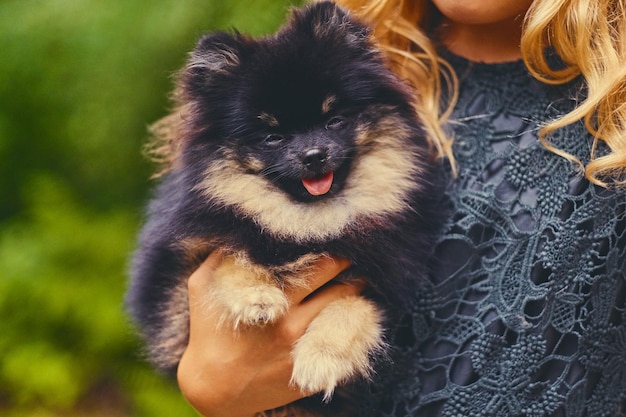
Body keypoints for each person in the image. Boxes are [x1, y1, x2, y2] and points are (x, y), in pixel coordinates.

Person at [176, 0, 626, 416]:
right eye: (275, 138)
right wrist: (210, 385)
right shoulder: (307, 60)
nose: (311, 150)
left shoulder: (615, 110)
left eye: (334, 120)